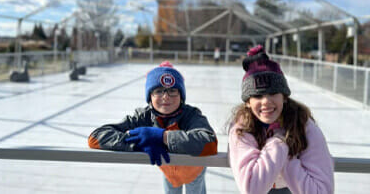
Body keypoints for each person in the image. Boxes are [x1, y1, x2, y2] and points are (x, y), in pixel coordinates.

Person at [88, 61, 218, 194]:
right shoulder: (143, 117)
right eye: (158, 91)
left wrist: (163, 137)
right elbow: (95, 138)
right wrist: (139, 143)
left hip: (193, 171)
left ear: (181, 96)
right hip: (169, 172)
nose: (166, 96)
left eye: (172, 90)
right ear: (150, 96)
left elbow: (210, 143)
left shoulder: (191, 115)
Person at [227, 45, 334, 194]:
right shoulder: (241, 129)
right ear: (247, 102)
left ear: (284, 96)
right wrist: (280, 144)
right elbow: (252, 189)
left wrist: (284, 160)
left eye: (273, 93)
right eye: (257, 95)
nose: (266, 101)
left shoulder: (303, 125)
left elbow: (321, 191)